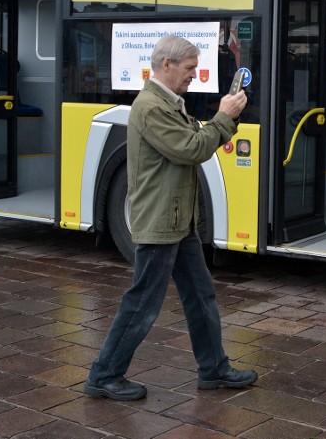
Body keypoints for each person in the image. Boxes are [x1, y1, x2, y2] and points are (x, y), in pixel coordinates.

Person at [84, 35, 257, 401]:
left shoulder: (169, 104)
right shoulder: (151, 107)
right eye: (190, 68)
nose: (194, 75)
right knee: (143, 302)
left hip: (178, 223)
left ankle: (214, 368)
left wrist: (223, 119)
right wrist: (225, 116)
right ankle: (104, 375)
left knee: (200, 294)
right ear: (167, 65)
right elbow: (192, 148)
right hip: (161, 225)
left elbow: (194, 139)